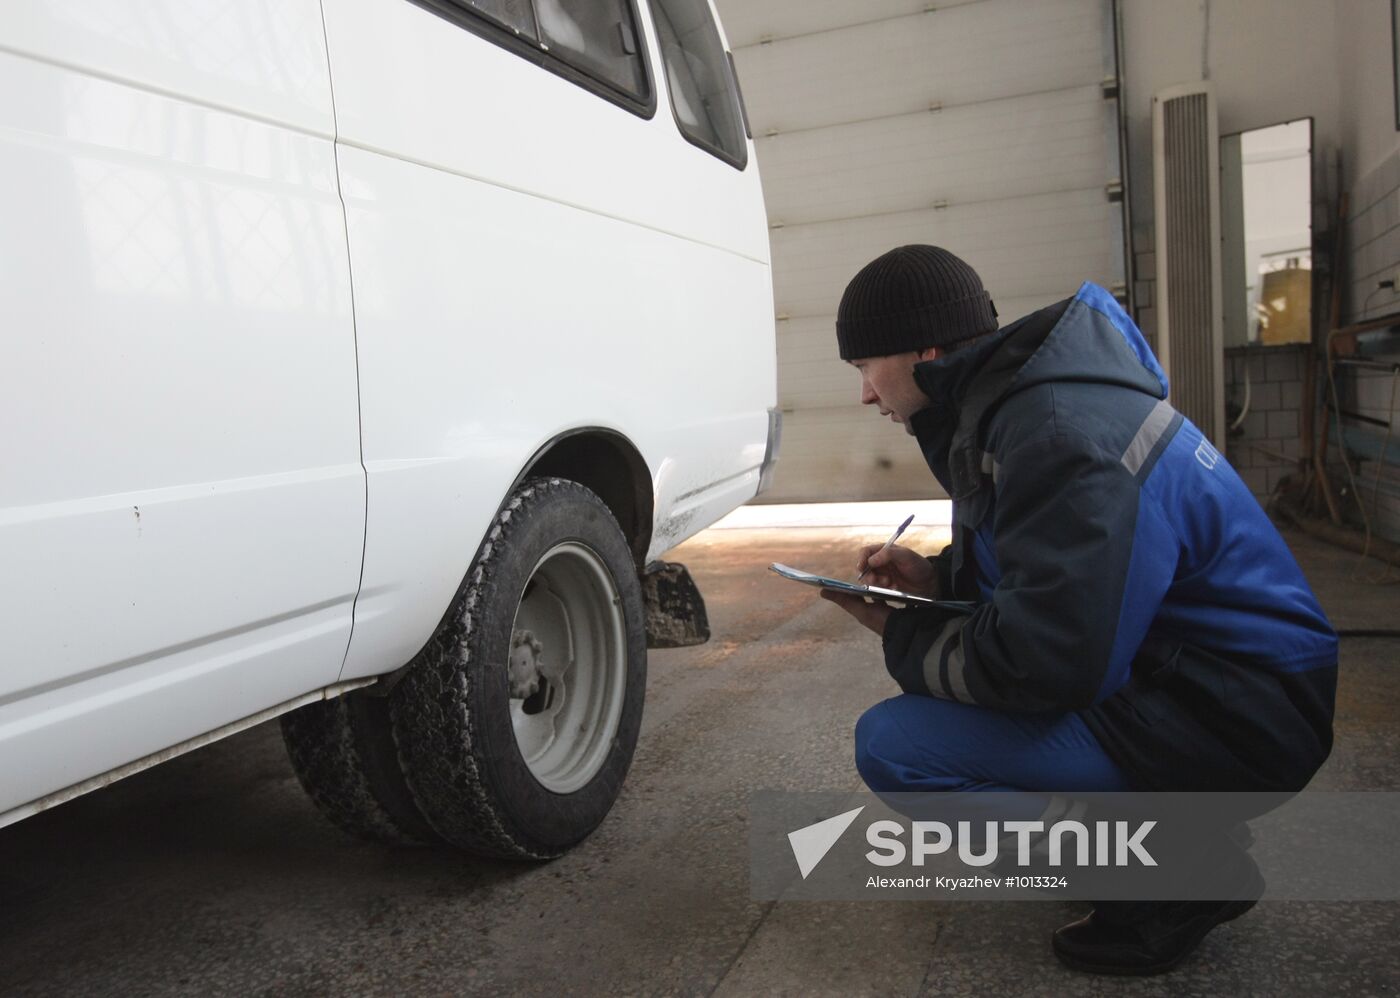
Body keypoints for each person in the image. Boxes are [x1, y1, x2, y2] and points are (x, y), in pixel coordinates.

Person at [819, 244, 1338, 975]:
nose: (866, 394)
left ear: (924, 349)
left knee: (902, 749)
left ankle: (1180, 870)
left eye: (865, 368)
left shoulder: (1056, 432)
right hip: (1208, 684)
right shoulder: (1022, 407)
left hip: (1243, 714)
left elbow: (1048, 667)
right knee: (933, 719)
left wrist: (903, 631)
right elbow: (1056, 575)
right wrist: (937, 584)